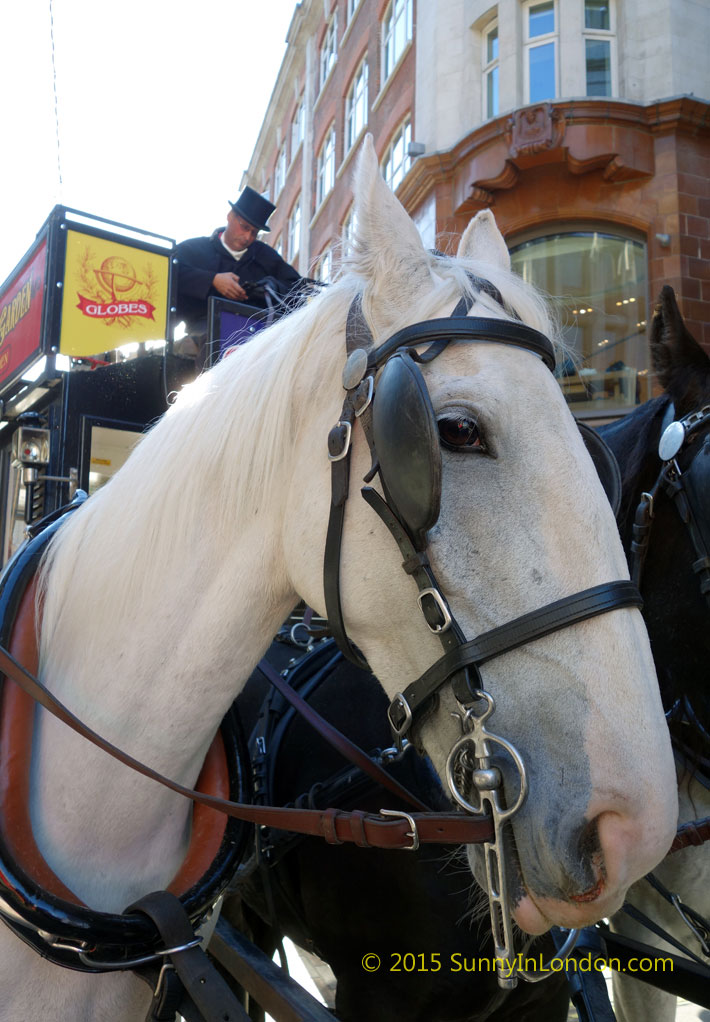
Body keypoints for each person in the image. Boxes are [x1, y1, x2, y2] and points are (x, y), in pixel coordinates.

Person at [173, 186, 306, 365]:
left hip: (257, 334)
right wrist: (213, 280)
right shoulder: (193, 249)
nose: (247, 237)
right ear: (230, 216)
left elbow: (297, 287)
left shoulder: (265, 256)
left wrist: (271, 286)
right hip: (203, 331)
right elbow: (171, 273)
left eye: (254, 233)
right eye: (244, 227)